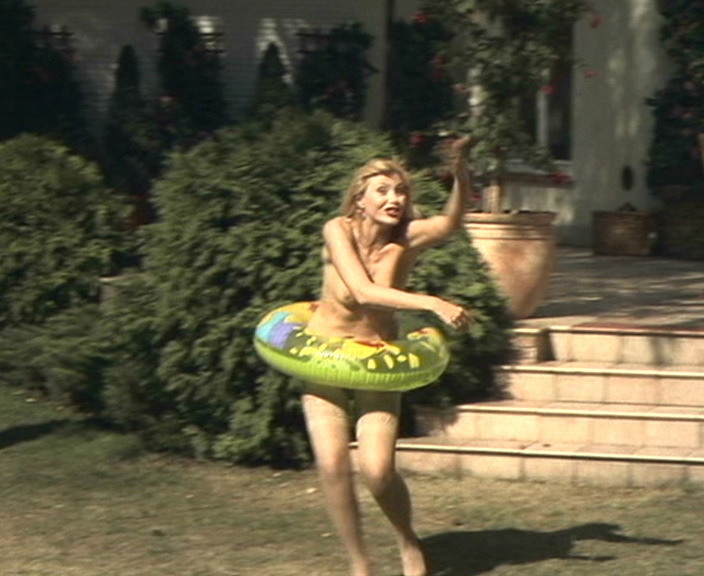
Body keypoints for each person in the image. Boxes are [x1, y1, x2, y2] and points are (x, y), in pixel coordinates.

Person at [302, 138, 473, 576]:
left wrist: (460, 171)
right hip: (324, 356)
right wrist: (432, 302)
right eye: (382, 191)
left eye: (400, 191)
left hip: (377, 362)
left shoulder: (406, 238)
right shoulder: (337, 230)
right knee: (333, 464)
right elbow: (362, 291)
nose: (394, 198)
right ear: (360, 199)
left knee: (378, 472)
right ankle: (360, 564)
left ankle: (407, 541)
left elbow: (451, 221)